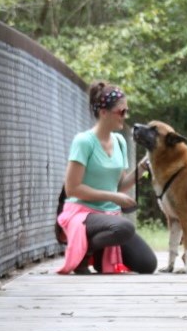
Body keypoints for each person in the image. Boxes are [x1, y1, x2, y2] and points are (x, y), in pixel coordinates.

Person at [56, 82, 158, 275]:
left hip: (109, 216)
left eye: (126, 111)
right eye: (121, 111)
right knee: (124, 228)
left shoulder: (119, 142)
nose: (125, 116)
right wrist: (113, 197)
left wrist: (143, 166)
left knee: (148, 264)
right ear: (104, 112)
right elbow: (72, 189)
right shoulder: (83, 141)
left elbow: (119, 185)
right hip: (82, 213)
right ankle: (85, 252)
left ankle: (101, 256)